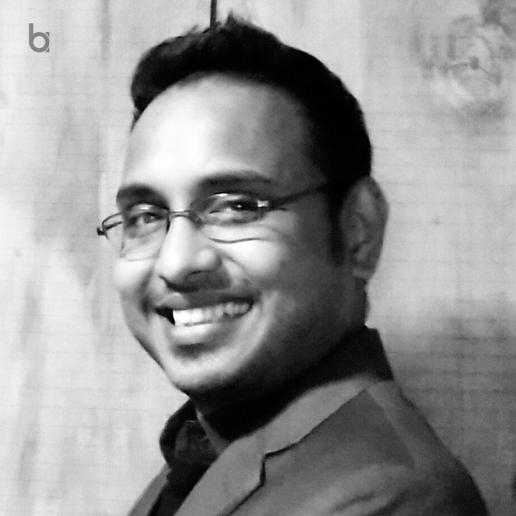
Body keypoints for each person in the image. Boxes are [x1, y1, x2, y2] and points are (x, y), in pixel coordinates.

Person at [97, 16, 489, 516]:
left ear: (358, 230)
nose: (175, 263)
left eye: (237, 207)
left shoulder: (388, 497)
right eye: (146, 217)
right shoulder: (205, 452)